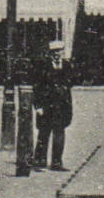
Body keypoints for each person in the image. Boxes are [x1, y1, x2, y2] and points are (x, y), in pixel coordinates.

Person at [31, 39, 76, 171]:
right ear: (50, 54)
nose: (57, 54)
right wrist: (38, 106)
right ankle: (39, 161)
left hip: (62, 106)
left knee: (59, 134)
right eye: (54, 52)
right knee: (44, 133)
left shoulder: (67, 66)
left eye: (59, 51)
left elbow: (71, 83)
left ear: (63, 52)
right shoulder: (43, 67)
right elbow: (37, 86)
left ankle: (57, 162)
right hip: (46, 105)